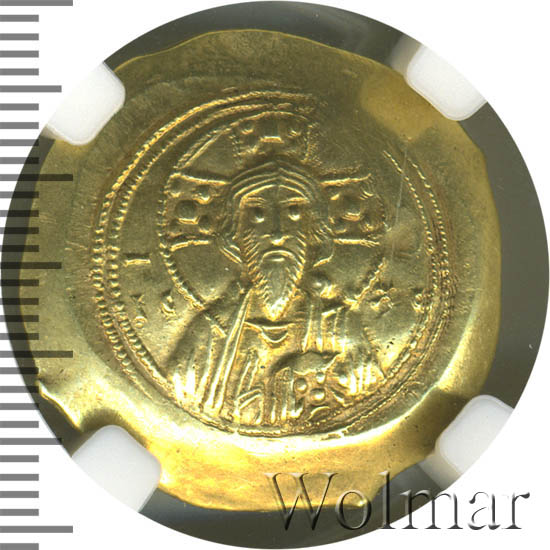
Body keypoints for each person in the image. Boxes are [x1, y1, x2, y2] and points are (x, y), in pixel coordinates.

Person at [162, 159, 383, 429]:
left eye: (294, 213)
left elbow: (366, 403)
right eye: (257, 215)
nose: (277, 234)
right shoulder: (208, 335)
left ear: (314, 234)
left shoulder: (341, 329)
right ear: (235, 235)